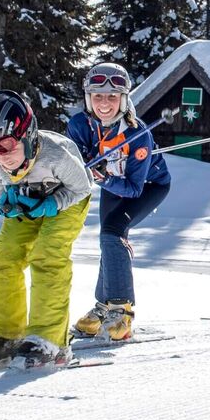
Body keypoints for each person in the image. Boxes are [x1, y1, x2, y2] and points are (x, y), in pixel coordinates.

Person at [0, 90, 92, 371]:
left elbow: (81, 188)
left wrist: (52, 204)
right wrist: (9, 202)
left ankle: (50, 341)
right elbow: (1, 189)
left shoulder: (57, 155)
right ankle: (3, 337)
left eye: (5, 145)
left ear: (28, 136)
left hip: (67, 201)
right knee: (4, 256)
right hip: (27, 203)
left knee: (47, 255)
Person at [66, 62, 171, 341]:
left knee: (113, 232)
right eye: (98, 96)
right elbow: (76, 157)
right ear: (88, 98)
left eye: (112, 97)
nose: (104, 103)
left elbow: (135, 189)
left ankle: (122, 310)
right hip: (113, 184)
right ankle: (103, 307)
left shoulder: (138, 135)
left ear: (124, 100)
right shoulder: (79, 125)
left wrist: (103, 177)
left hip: (148, 187)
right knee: (107, 238)